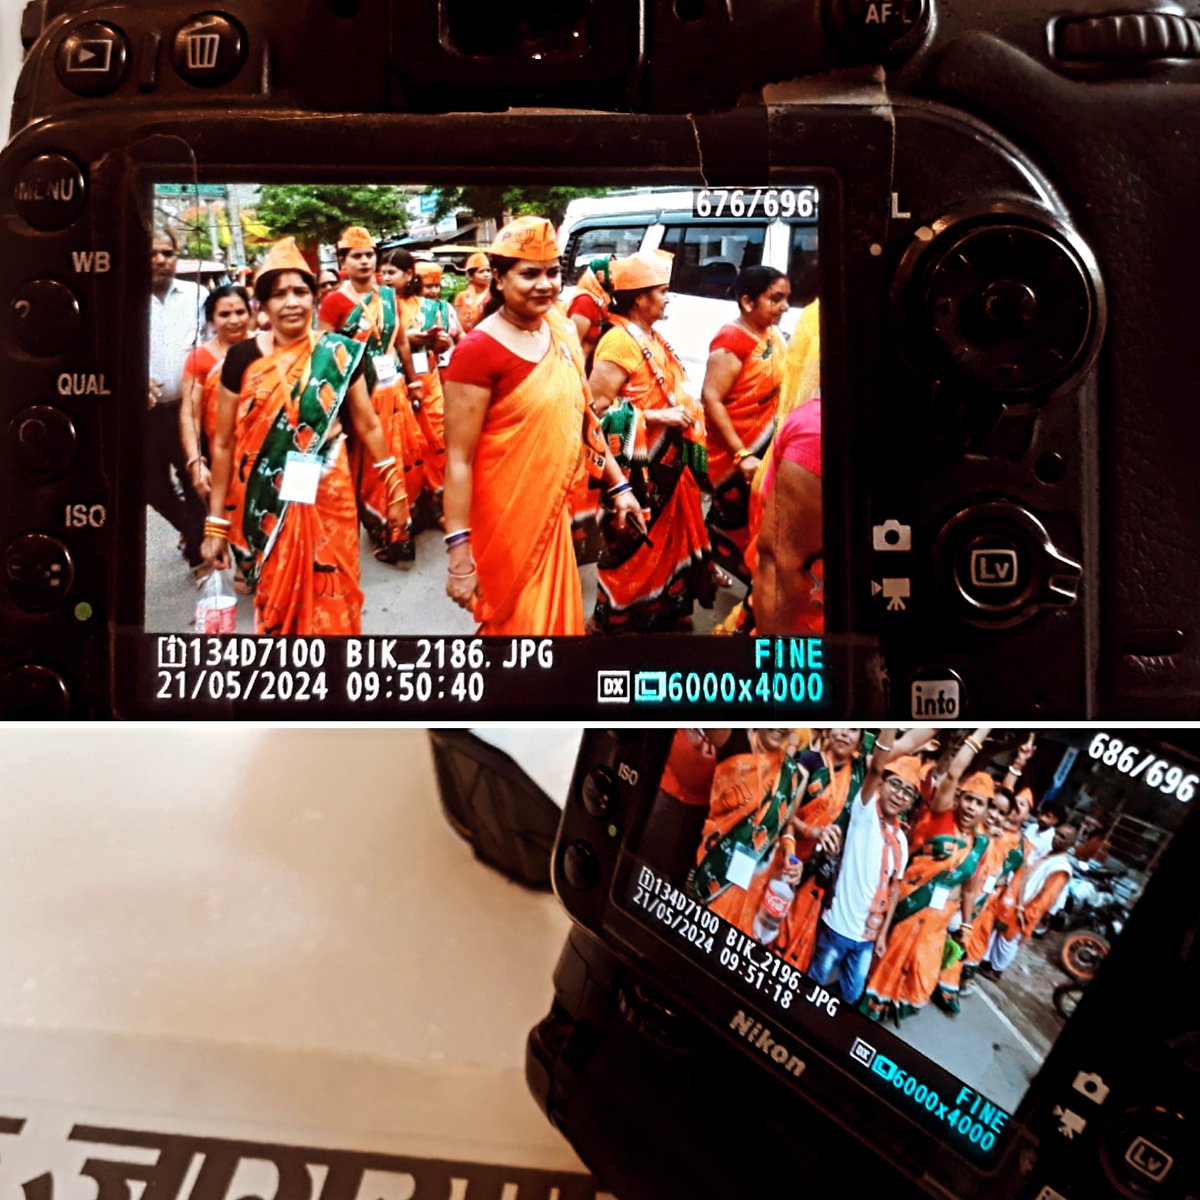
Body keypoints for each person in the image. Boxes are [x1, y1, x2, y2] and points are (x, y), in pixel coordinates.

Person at [441, 216, 642, 635]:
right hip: (506, 520)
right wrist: (459, 553)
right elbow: (458, 459)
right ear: (498, 278)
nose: (545, 284)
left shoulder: (563, 330)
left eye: (552, 272)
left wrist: (619, 486)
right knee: (520, 632)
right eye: (529, 274)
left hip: (553, 516)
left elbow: (585, 418)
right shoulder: (477, 351)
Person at [201, 237, 407, 635]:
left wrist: (395, 490)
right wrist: (215, 525)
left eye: (300, 291)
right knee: (278, 594)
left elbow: (367, 424)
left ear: (315, 298)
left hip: (329, 488)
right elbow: (223, 443)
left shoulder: (341, 352)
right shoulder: (242, 359)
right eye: (279, 294)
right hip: (265, 494)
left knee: (336, 584)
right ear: (262, 304)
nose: (291, 302)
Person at [588, 248, 718, 632]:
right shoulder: (617, 343)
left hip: (673, 465)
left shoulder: (653, 336)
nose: (667, 298)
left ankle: (667, 609)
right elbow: (594, 413)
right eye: (661, 291)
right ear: (640, 297)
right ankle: (615, 618)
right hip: (641, 472)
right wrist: (657, 416)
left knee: (669, 544)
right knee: (632, 547)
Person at [317, 226, 419, 562]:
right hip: (359, 396)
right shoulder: (334, 302)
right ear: (342, 261)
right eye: (356, 256)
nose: (364, 261)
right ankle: (381, 528)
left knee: (402, 457)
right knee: (372, 466)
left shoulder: (388, 296)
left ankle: (403, 522)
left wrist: (415, 380)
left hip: (396, 389)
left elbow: (401, 341)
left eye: (368, 255)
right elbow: (324, 353)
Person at [861, 771, 992, 1024]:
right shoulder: (940, 820)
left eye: (979, 803)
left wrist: (966, 924)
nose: (971, 807)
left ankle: (896, 1004)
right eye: (968, 799)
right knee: (888, 958)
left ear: (985, 811)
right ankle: (872, 1008)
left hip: (939, 919)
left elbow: (968, 889)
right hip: (910, 904)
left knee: (923, 972)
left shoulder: (981, 846)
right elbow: (950, 776)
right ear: (958, 798)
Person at [804, 747, 925, 1004]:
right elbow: (876, 766)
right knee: (814, 980)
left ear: (911, 802)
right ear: (881, 784)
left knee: (851, 993)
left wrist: (881, 935)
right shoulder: (865, 811)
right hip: (838, 926)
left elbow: (894, 891)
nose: (899, 794)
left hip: (867, 938)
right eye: (895, 784)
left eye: (907, 791)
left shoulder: (901, 841)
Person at [701, 266, 790, 583]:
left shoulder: (770, 333)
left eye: (786, 299)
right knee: (739, 525)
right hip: (736, 454)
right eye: (775, 299)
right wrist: (741, 455)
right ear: (747, 302)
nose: (785, 307)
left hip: (765, 448)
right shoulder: (732, 340)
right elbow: (711, 399)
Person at [690, 729, 810, 931]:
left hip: (746, 884)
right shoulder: (732, 739)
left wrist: (790, 853)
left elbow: (787, 823)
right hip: (703, 863)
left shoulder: (791, 774)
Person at [148, 226, 207, 575]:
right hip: (145, 415)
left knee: (194, 480)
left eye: (167, 253)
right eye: (152, 254)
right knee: (150, 487)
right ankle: (190, 529)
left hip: (189, 410)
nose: (160, 260)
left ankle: (198, 554)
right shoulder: (120, 299)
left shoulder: (196, 295)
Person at [932, 785, 1015, 1013]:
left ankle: (942, 987)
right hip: (947, 903)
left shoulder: (1002, 843)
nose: (994, 815)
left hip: (974, 908)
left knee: (955, 949)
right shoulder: (969, 832)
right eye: (992, 807)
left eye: (1001, 812)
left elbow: (998, 877)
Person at [179, 285, 252, 505]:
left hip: (267, 455)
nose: (234, 320)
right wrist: (196, 462)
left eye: (240, 312)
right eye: (224, 314)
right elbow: (190, 415)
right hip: (222, 459)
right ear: (211, 320)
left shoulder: (267, 348)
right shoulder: (199, 359)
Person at [981, 821, 1077, 982]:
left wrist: (1027, 915)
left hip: (1025, 910)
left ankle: (996, 971)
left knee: (1009, 940)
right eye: (1057, 833)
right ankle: (988, 963)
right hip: (1016, 903)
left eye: (1063, 837)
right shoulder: (1048, 853)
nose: (1057, 838)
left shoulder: (1061, 867)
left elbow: (1046, 898)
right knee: (1001, 932)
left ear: (1071, 844)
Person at [454, 252, 492, 333]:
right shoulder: (461, 296)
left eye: (488, 271)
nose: (486, 275)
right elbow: (457, 323)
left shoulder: (496, 295)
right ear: (471, 276)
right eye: (481, 272)